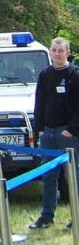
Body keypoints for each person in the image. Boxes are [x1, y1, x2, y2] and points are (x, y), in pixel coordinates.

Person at [29, 36, 79, 231]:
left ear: (67, 52)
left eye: (61, 51)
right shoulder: (45, 74)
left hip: (69, 135)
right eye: (54, 50)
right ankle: (46, 217)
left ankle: (76, 218)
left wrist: (70, 130)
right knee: (49, 177)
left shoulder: (74, 75)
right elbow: (39, 104)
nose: (57, 54)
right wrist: (39, 129)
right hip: (47, 134)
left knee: (73, 177)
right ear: (50, 52)